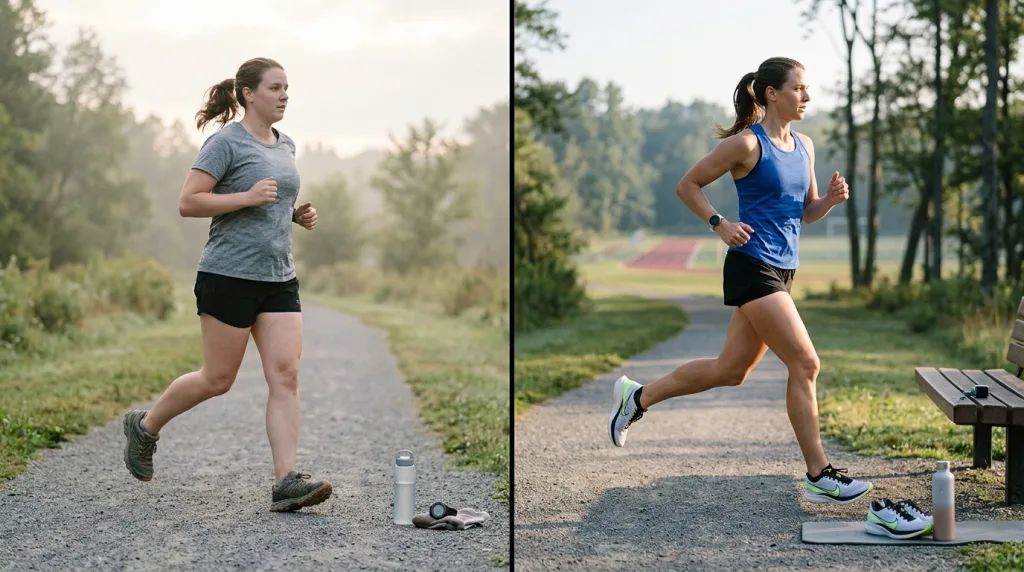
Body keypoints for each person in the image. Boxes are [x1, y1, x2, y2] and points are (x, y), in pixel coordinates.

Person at [607, 57, 873, 505]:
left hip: (784, 269)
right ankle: (820, 474)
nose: (807, 97)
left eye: (807, 89)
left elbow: (805, 212)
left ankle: (637, 398)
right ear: (772, 93)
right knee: (805, 363)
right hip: (752, 265)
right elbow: (688, 185)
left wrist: (828, 200)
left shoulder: (805, 146)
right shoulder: (748, 145)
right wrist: (720, 223)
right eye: (799, 89)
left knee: (730, 371)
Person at [121, 57, 332, 513]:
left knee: (286, 375)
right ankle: (145, 426)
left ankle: (286, 481)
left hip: (279, 277)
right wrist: (247, 197)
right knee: (217, 379)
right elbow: (188, 202)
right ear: (248, 94)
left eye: (287, 88)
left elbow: (272, 204)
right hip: (228, 276)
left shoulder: (286, 144)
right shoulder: (225, 143)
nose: (284, 95)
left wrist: (294, 215)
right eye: (275, 88)